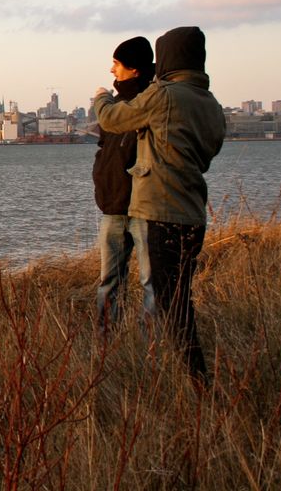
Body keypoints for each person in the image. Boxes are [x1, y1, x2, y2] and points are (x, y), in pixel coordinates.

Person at [92, 26, 225, 382]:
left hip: (158, 210)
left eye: (116, 64)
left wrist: (101, 98)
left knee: (170, 300)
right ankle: (184, 371)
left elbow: (110, 119)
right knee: (175, 296)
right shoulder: (210, 104)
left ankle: (192, 379)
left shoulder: (163, 95)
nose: (111, 70)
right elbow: (209, 150)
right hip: (189, 212)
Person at [92, 36, 155, 331]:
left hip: (143, 208)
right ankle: (105, 344)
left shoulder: (151, 103)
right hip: (113, 207)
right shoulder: (117, 105)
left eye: (117, 64)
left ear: (135, 69)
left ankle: (150, 347)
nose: (111, 69)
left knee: (150, 282)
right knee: (108, 282)